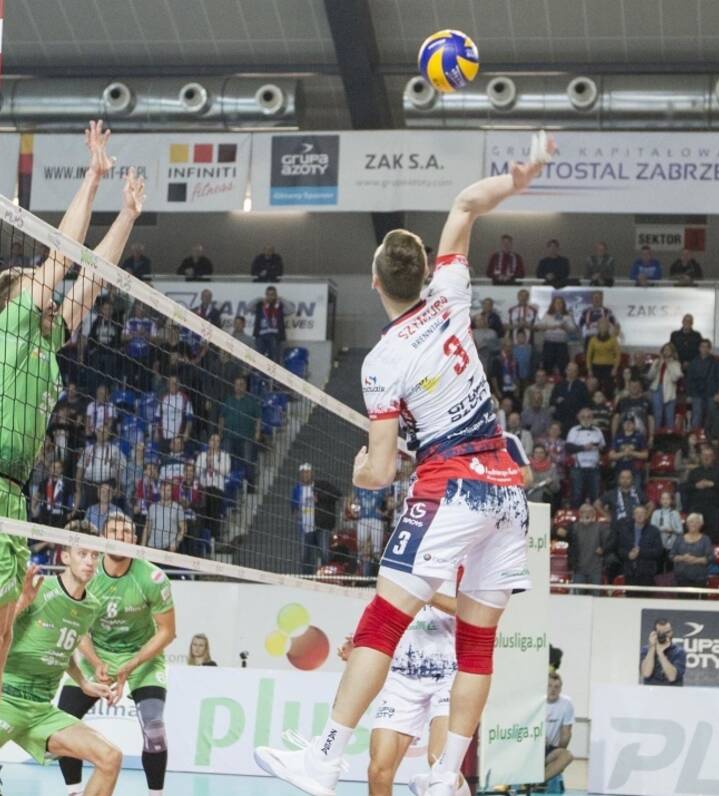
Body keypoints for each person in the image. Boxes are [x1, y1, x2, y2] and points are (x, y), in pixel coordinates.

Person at [254, 133, 553, 796]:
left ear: (374, 281)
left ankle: (324, 759)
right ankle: (446, 776)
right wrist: (519, 179)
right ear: (424, 272)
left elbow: (383, 471)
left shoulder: (383, 361)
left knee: (382, 621)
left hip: (452, 487)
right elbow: (467, 204)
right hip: (507, 487)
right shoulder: (449, 294)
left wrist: (361, 468)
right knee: (477, 642)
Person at [0, 123, 142, 790]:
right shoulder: (11, 323)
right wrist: (93, 177)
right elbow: (62, 253)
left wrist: (126, 215)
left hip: (13, 496)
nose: (47, 288)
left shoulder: (46, 343)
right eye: (35, 283)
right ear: (17, 296)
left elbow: (92, 277)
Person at [58, 515, 176, 796]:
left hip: (142, 658)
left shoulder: (152, 577)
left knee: (155, 730)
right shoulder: (88, 572)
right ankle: (74, 792)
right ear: (103, 538)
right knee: (62, 723)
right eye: (113, 531)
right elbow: (78, 625)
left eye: (125, 532)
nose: (120, 536)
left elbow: (168, 632)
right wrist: (96, 662)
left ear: (134, 540)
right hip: (98, 654)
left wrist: (131, 665)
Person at [0, 547, 124, 796]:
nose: (90, 561)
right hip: (4, 700)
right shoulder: (38, 588)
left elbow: (64, 647)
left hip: (42, 711)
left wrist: (83, 682)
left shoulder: (91, 605)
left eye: (94, 555)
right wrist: (21, 602)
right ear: (65, 557)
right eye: (82, 554)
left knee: (111, 757)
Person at [341, 585, 471, 796]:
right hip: (402, 677)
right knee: (378, 771)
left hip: (448, 675)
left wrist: (423, 592)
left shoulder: (457, 568)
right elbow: (385, 609)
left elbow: (473, 610)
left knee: (439, 763)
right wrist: (360, 645)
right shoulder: (396, 570)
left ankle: (457, 789)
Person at [566, 408, 605, 508]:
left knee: (595, 495)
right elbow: (568, 447)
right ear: (579, 418)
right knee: (577, 495)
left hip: (594, 468)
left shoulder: (597, 430)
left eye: (589, 417)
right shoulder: (574, 430)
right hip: (578, 468)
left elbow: (603, 446)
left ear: (592, 418)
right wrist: (583, 447)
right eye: (583, 417)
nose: (586, 419)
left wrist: (598, 447)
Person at [618, 504, 663, 587]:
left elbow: (658, 551)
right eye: (637, 513)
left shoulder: (654, 531)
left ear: (646, 515)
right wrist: (628, 555)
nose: (639, 515)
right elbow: (620, 549)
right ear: (633, 516)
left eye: (642, 513)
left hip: (647, 573)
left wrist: (640, 552)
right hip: (629, 572)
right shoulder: (625, 530)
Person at [567, 503, 612, 585]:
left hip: (596, 570)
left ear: (594, 514)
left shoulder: (601, 527)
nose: (586, 514)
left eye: (589, 512)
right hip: (579, 570)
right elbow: (563, 536)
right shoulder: (574, 528)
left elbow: (610, 542)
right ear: (579, 514)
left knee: (596, 592)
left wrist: (603, 548)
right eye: (583, 512)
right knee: (577, 593)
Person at [543, 673, 576, 786]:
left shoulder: (566, 704)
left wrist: (558, 755)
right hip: (533, 748)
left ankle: (539, 781)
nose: (553, 690)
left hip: (550, 749)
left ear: (560, 689)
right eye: (549, 686)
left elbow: (566, 734)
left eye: (556, 687)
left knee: (567, 756)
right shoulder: (536, 701)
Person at [671, 513, 713, 590]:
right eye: (691, 522)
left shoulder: (705, 539)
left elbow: (710, 558)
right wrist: (682, 558)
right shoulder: (679, 539)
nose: (694, 524)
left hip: (700, 579)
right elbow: (672, 556)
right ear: (687, 524)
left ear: (701, 525)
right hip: (681, 578)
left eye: (697, 522)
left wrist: (695, 560)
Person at [640, 618, 685, 686]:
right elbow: (646, 673)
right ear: (654, 634)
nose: (665, 636)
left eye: (668, 632)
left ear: (672, 632)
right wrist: (652, 647)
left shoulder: (679, 652)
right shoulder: (646, 650)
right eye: (661, 633)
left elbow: (672, 677)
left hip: (672, 692)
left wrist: (660, 653)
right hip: (651, 691)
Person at [252, 285, 287, 363]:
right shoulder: (260, 305)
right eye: (268, 294)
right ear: (266, 295)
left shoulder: (279, 306)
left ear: (276, 295)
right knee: (259, 358)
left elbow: (291, 309)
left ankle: (274, 370)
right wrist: (259, 299)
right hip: (261, 336)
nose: (270, 297)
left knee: (274, 358)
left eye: (272, 294)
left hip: (275, 336)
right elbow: (248, 307)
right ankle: (259, 370)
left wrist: (281, 299)